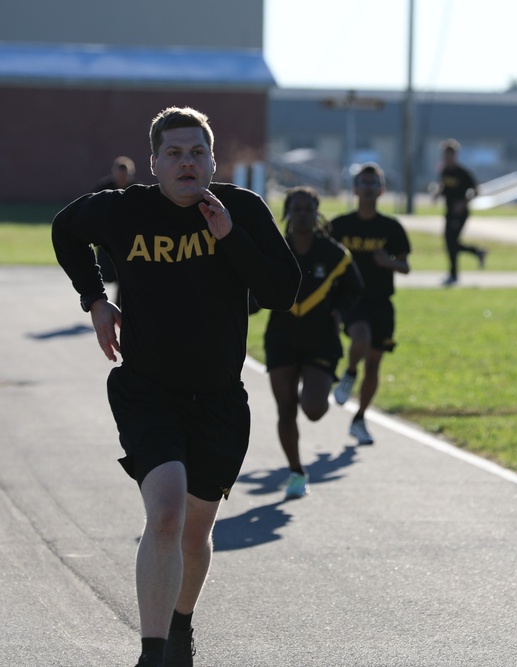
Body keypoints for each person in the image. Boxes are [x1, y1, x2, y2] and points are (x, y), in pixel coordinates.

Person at [51, 106, 300, 667]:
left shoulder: (240, 209)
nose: (186, 163)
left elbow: (283, 292)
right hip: (147, 389)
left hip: (218, 399)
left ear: (212, 160)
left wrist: (231, 238)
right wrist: (94, 299)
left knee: (194, 534)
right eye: (174, 154)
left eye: (197, 153)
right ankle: (152, 652)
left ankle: (181, 627)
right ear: (154, 163)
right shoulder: (124, 210)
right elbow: (65, 229)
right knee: (164, 512)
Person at [260, 186, 363, 500]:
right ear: (288, 212)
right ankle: (295, 472)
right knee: (285, 408)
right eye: (297, 207)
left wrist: (339, 312)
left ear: (317, 213)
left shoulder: (334, 253)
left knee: (314, 409)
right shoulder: (275, 248)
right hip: (281, 339)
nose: (303, 213)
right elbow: (253, 286)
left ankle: (328, 387)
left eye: (308, 208)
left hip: (320, 341)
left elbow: (354, 289)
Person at [327, 163, 411, 445]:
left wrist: (389, 262)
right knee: (359, 337)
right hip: (353, 299)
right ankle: (349, 373)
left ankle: (360, 418)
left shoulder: (391, 228)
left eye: (374, 183)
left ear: (381, 190)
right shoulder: (340, 226)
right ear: (355, 189)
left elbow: (406, 266)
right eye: (363, 183)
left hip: (381, 302)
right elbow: (323, 257)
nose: (368, 188)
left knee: (374, 365)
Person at [436, 138, 486, 286]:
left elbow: (476, 190)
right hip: (448, 211)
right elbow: (444, 187)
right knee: (449, 242)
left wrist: (463, 203)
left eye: (449, 155)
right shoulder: (444, 170)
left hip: (460, 213)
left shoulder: (463, 172)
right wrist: (437, 193)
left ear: (455, 155)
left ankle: (453, 274)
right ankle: (477, 252)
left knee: (452, 242)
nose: (446, 158)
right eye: (444, 155)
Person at [92, 156, 139, 303]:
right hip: (108, 239)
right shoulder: (103, 189)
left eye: (125, 176)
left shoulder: (137, 190)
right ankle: (99, 303)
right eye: (119, 175)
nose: (122, 179)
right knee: (104, 275)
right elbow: (91, 210)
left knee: (125, 275)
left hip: (129, 241)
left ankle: (120, 306)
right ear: (113, 173)